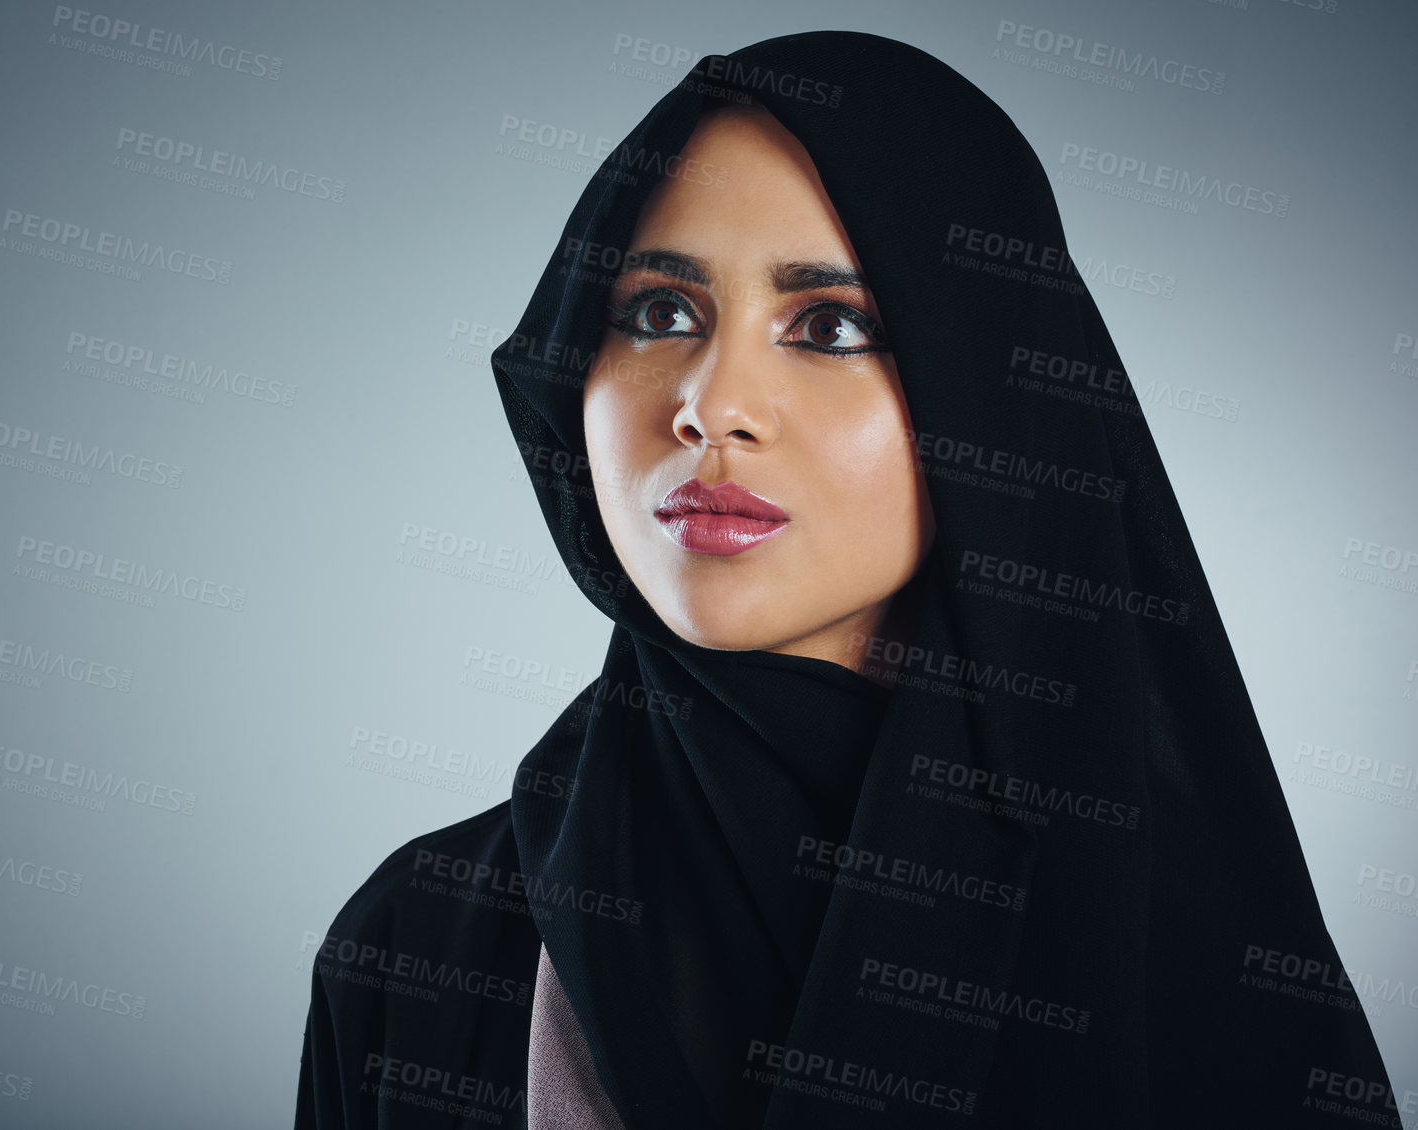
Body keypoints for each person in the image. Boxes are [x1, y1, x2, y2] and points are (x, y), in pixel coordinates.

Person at [295, 31, 1394, 1128]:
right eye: (659, 312)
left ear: (988, 393)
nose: (711, 404)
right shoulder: (419, 946)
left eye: (829, 325)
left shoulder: (1197, 957)